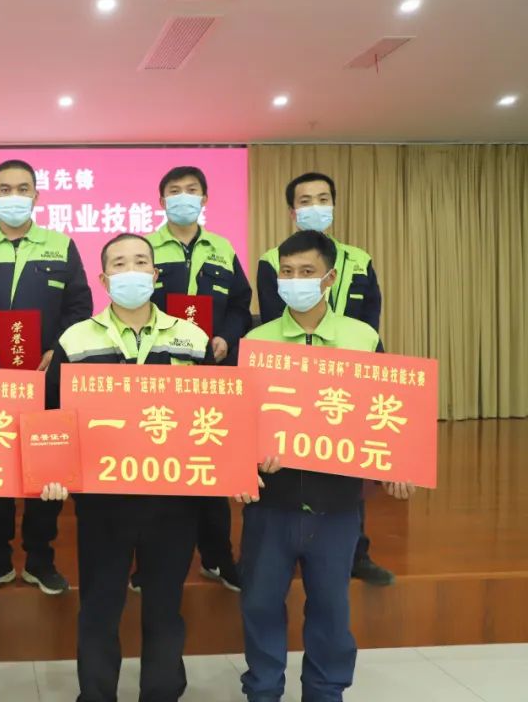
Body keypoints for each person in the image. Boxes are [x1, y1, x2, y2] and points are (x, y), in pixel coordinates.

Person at [239, 230, 415, 702]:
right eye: (287, 272)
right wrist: (245, 461)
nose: (295, 280)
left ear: (330, 278)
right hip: (270, 502)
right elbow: (239, 420)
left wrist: (398, 465)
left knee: (332, 610)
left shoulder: (362, 338)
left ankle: (325, 690)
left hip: (336, 503)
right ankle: (262, 690)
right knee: (260, 604)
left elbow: (385, 411)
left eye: (307, 271)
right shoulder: (256, 341)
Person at [43, 233, 210, 702]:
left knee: (164, 608)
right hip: (103, 502)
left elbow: (216, 416)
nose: (131, 271)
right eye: (119, 263)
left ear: (155, 275)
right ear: (103, 278)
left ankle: (162, 692)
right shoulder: (75, 339)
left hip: (174, 499)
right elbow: (52, 415)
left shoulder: (191, 338)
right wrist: (53, 470)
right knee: (99, 607)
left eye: (140, 262)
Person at [0, 159, 93, 595]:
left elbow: (80, 307)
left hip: (46, 376)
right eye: (5, 189)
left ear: (36, 195)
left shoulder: (61, 246)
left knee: (44, 467)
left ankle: (39, 558)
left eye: (23, 188)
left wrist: (57, 350)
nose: (14, 196)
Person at [254, 173, 391, 586]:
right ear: (292, 210)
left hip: (346, 379)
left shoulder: (359, 259)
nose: (314, 206)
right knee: (288, 467)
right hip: (291, 375)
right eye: (305, 200)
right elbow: (275, 318)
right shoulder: (271, 259)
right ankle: (286, 551)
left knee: (346, 467)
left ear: (333, 204)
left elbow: (370, 320)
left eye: (322, 198)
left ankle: (356, 554)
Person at [143, 165, 252, 593]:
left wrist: (227, 336)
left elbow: (240, 304)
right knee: (157, 469)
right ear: (161, 200)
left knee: (210, 467)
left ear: (204, 199)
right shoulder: (144, 249)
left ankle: (217, 558)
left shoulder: (222, 249)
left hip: (209, 373)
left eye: (192, 190)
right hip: (158, 376)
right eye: (175, 190)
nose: (183, 196)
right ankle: (149, 564)